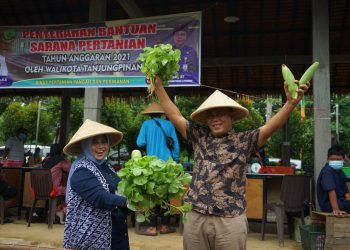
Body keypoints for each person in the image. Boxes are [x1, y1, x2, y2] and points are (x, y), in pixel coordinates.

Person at [149, 75, 309, 250]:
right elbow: (175, 115)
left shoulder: (244, 141)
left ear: (231, 116)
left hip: (229, 220)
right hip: (196, 217)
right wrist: (158, 87)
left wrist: (291, 103)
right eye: (210, 115)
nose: (215, 118)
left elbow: (271, 127)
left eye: (220, 114)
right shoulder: (199, 138)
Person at [63, 119, 129, 250]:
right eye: (95, 142)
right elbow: (100, 197)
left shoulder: (107, 167)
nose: (101, 146)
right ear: (86, 145)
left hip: (116, 235)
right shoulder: (81, 171)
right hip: (91, 240)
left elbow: (119, 190)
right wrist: (127, 202)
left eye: (104, 141)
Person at [136, 102, 180, 236]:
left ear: (149, 114)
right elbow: (176, 146)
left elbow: (140, 143)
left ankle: (152, 227)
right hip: (167, 165)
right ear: (162, 113)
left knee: (152, 195)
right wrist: (176, 161)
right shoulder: (169, 125)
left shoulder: (146, 125)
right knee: (166, 195)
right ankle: (165, 226)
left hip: (152, 165)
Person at [317, 145, 350, 216]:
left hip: (341, 202)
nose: (335, 161)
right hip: (329, 205)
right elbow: (331, 191)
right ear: (327, 159)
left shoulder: (341, 173)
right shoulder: (327, 171)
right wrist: (336, 209)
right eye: (332, 159)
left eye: (338, 159)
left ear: (343, 160)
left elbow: (346, 193)